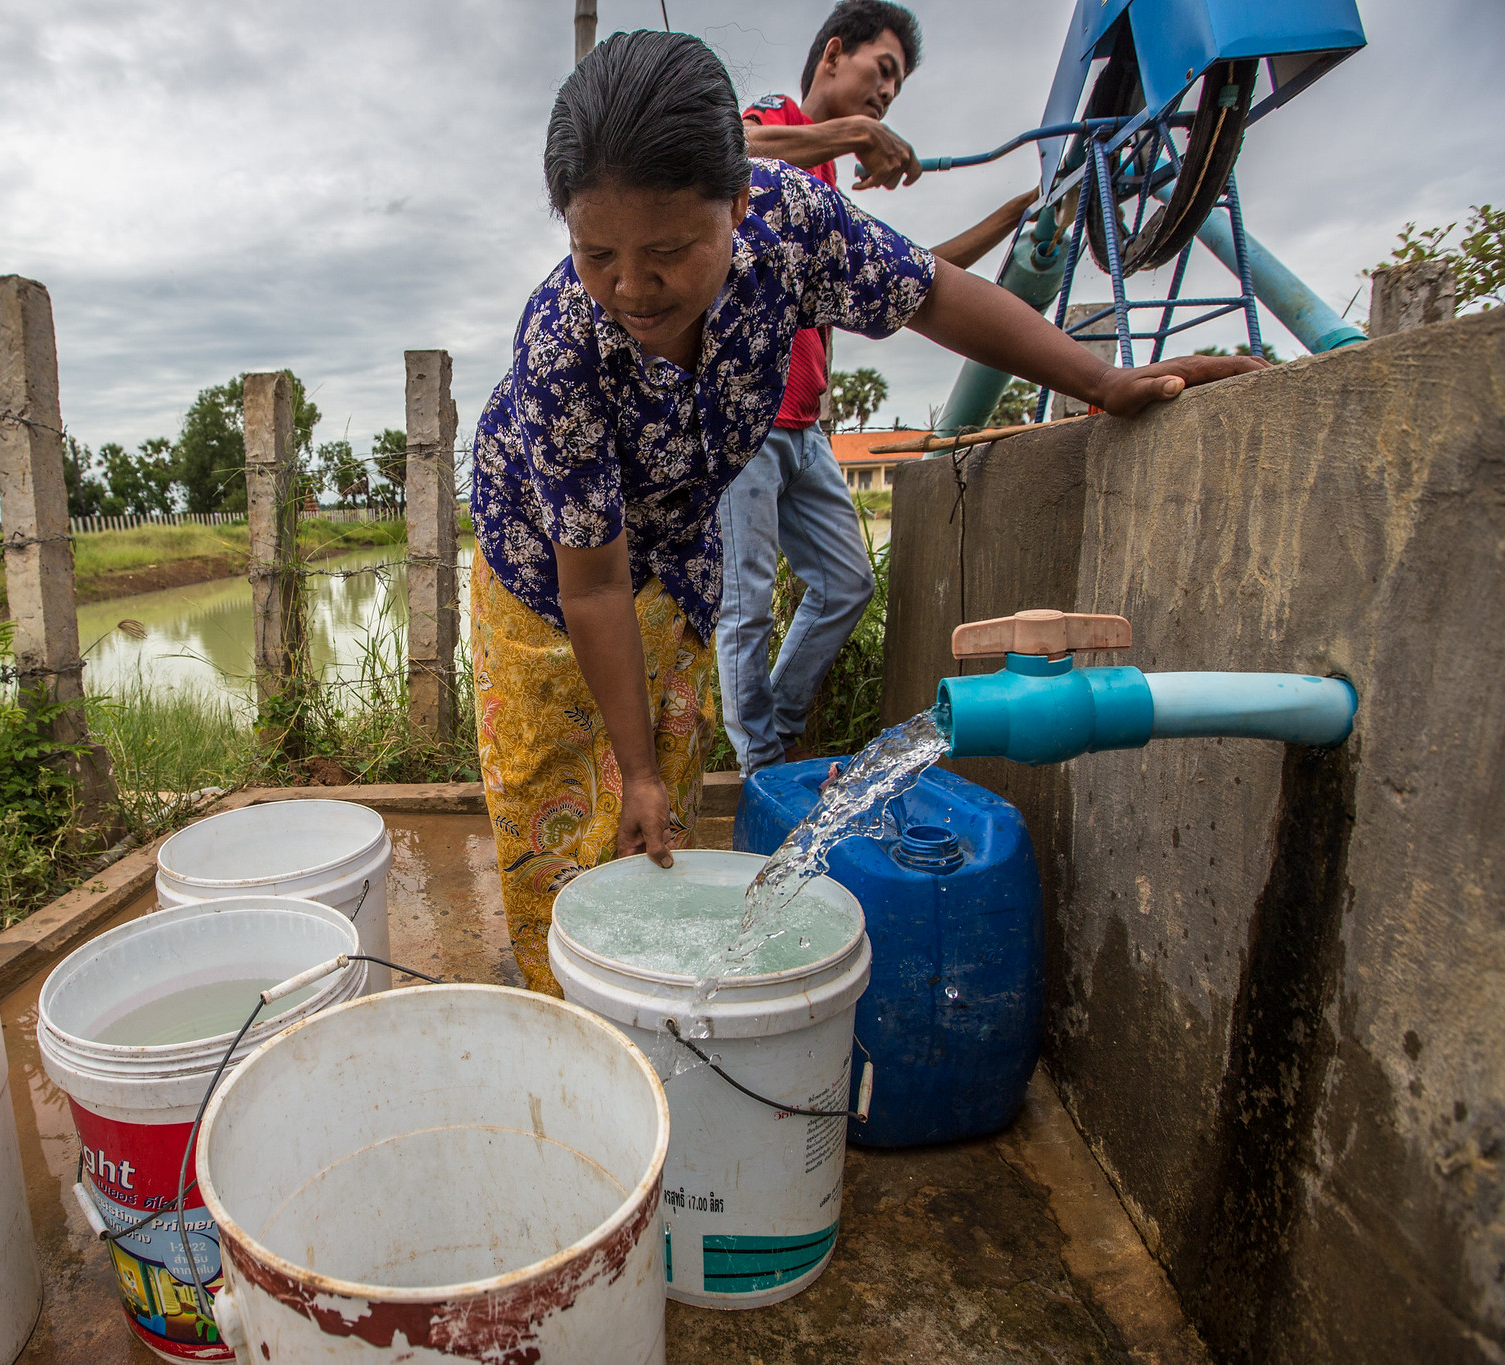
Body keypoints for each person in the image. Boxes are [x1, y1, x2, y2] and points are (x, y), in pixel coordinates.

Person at [468, 30, 1258, 995]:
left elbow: (933, 294)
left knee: (658, 808)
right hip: (546, 572)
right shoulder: (564, 341)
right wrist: (627, 769)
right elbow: (591, 584)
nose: (632, 287)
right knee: (560, 810)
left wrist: (1099, 380)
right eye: (598, 253)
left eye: (667, 251)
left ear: (739, 203)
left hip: (675, 554)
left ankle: (647, 1000)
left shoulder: (792, 228)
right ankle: (565, 1010)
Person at [720, 0, 1039, 774]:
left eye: (897, 88)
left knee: (847, 582)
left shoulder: (828, 181)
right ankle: (762, 763)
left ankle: (775, 730)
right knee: (746, 605)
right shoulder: (778, 119)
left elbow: (909, 276)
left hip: (805, 430)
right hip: (748, 422)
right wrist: (856, 133)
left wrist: (1013, 214)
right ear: (834, 54)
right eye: (883, 70)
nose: (888, 93)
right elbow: (726, 150)